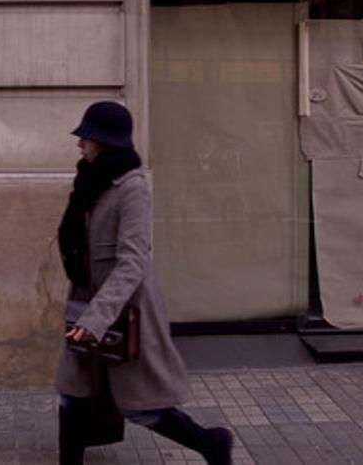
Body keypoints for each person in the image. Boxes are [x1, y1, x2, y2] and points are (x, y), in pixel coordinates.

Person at [56, 101, 232, 465]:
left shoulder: (131, 187)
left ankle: (212, 443)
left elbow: (133, 260)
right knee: (72, 393)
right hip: (87, 301)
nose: (79, 144)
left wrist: (95, 320)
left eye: (86, 137)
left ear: (104, 141)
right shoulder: (88, 180)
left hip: (123, 311)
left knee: (140, 407)